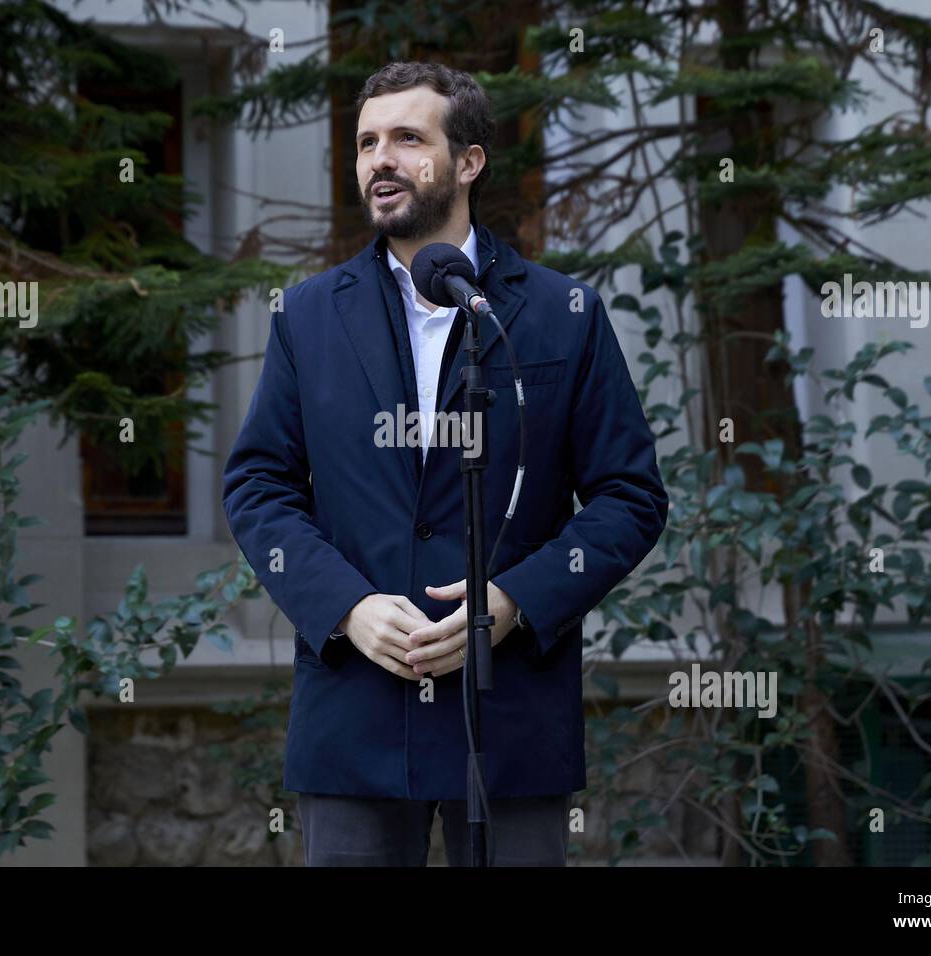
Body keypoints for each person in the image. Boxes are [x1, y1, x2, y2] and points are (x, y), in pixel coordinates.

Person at [221, 60, 668, 866]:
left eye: (406, 138)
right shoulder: (309, 316)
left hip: (510, 718)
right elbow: (258, 486)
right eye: (366, 142)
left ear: (468, 160)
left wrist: (514, 600)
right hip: (353, 715)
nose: (379, 159)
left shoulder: (564, 314)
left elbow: (630, 496)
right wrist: (348, 608)